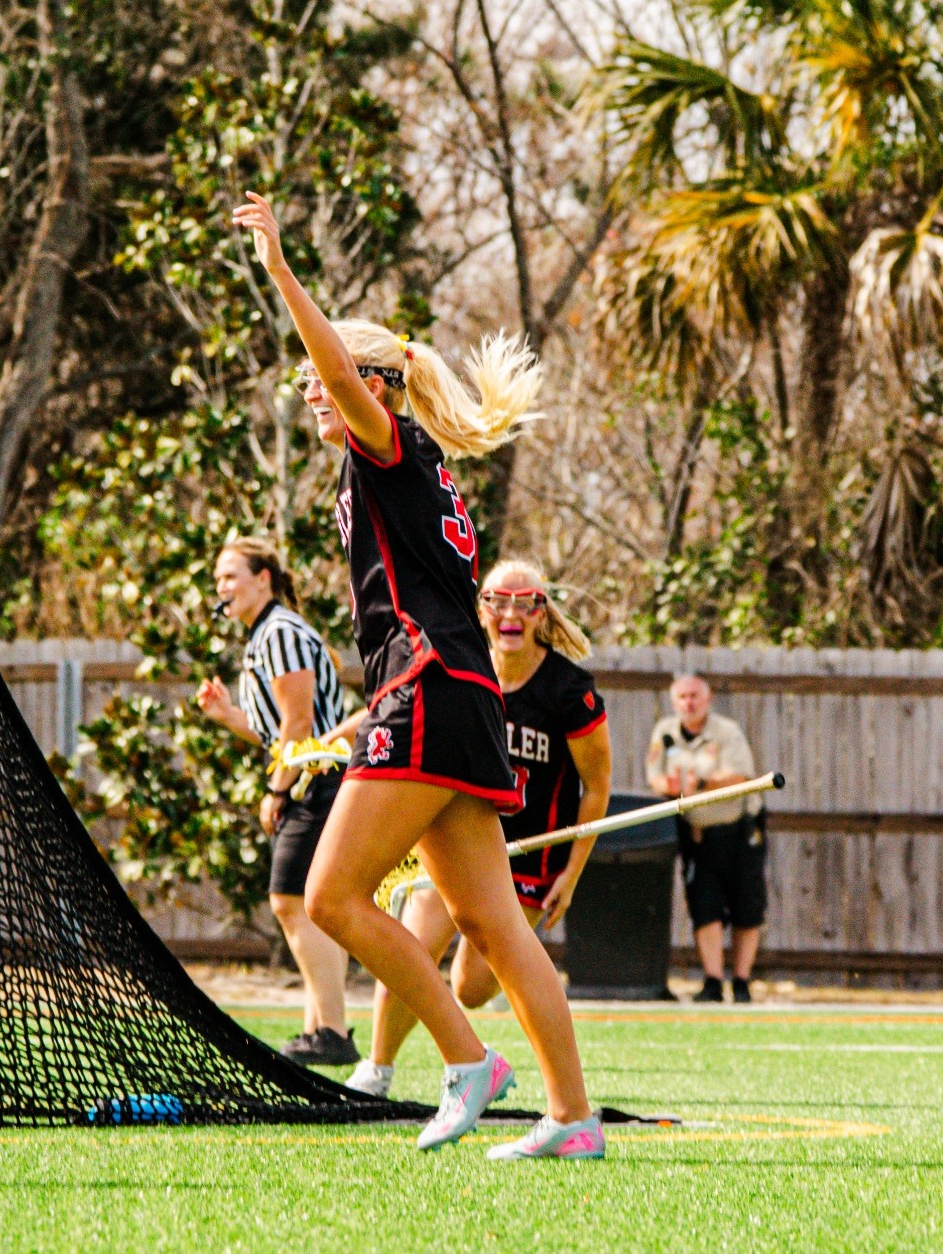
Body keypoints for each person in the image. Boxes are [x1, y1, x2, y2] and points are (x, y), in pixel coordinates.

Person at [230, 191, 599, 1159]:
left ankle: (465, 1060)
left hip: (431, 688)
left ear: (371, 385)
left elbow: (331, 368)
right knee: (492, 925)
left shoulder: (384, 442)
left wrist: (278, 268)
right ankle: (571, 1121)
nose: (311, 392)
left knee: (329, 898)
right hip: (450, 693)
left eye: (327, 380)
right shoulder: (413, 462)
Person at [350, 559, 612, 1099]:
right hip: (461, 836)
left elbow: (598, 788)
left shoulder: (569, 690)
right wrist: (330, 740)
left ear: (543, 611)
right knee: (416, 945)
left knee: (471, 988)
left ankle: (534, 1081)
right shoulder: (463, 670)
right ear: (481, 609)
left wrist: (573, 872)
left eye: (525, 602)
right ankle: (376, 1070)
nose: (510, 613)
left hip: (530, 859)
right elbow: (394, 706)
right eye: (497, 600)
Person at [195, 536, 365, 1066]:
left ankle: (332, 1033)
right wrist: (229, 717)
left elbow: (300, 723)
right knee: (309, 904)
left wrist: (278, 787)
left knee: (291, 901)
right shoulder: (262, 636)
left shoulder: (281, 631)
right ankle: (320, 1029)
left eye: (231, 576)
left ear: (263, 578)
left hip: (319, 778)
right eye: (218, 579)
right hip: (308, 775)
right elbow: (276, 731)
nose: (222, 588)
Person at [647, 672, 765, 1003]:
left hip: (739, 827)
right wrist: (667, 788)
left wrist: (700, 784)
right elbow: (654, 776)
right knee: (704, 906)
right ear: (673, 702)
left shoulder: (726, 733)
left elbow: (740, 776)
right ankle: (713, 981)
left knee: (747, 905)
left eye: (695, 696)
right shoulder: (665, 733)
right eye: (682, 697)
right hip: (697, 834)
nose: (689, 703)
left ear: (708, 699)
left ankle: (741, 982)